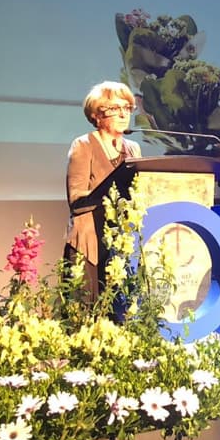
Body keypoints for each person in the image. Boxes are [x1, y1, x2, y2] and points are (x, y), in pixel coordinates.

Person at [65, 81, 142, 301]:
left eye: (127, 108)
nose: (123, 114)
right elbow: (76, 200)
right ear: (97, 115)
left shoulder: (133, 148)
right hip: (89, 241)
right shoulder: (83, 145)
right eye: (114, 109)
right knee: (86, 310)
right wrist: (110, 196)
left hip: (121, 240)